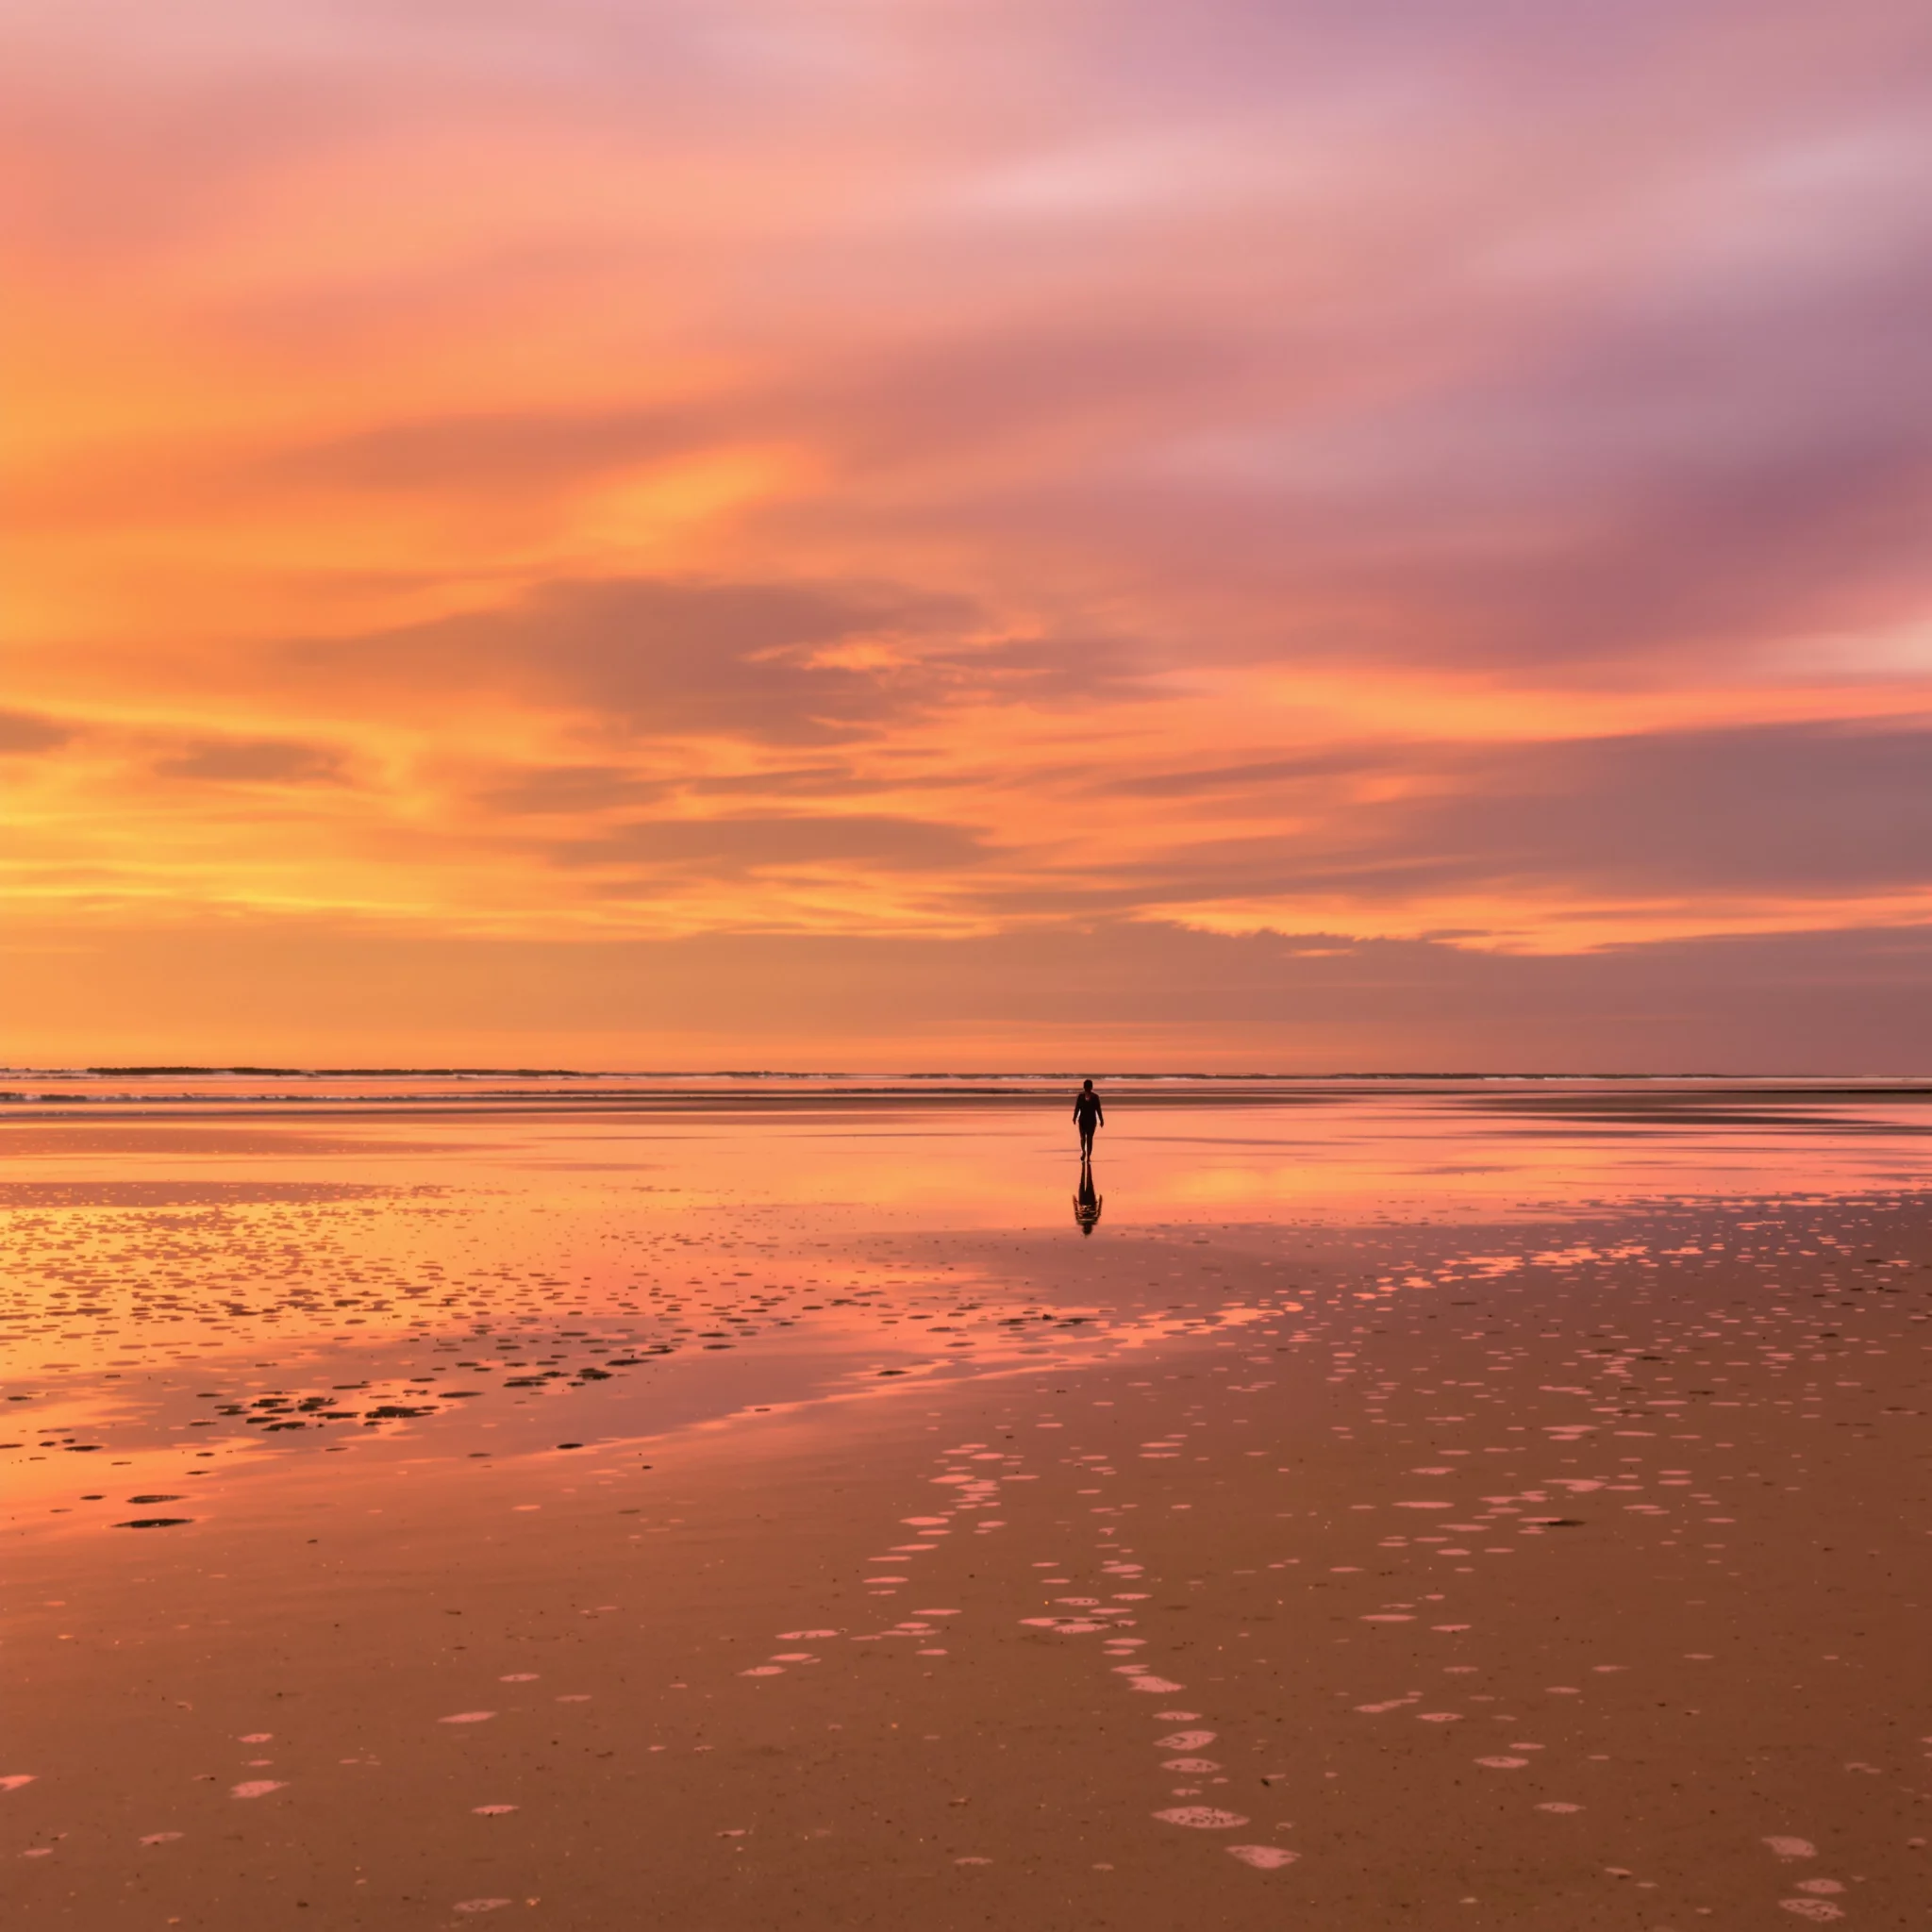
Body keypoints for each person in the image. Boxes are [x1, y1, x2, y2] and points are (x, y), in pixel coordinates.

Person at [1073, 1078, 1104, 1158]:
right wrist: (1074, 1117)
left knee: (1087, 1138)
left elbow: (1098, 1109)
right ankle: (1084, 1152)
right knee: (1085, 1138)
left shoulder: (1094, 1097)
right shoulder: (1081, 1097)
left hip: (1090, 1120)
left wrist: (1101, 1119)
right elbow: (1077, 1108)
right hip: (1084, 1120)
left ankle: (1087, 1155)